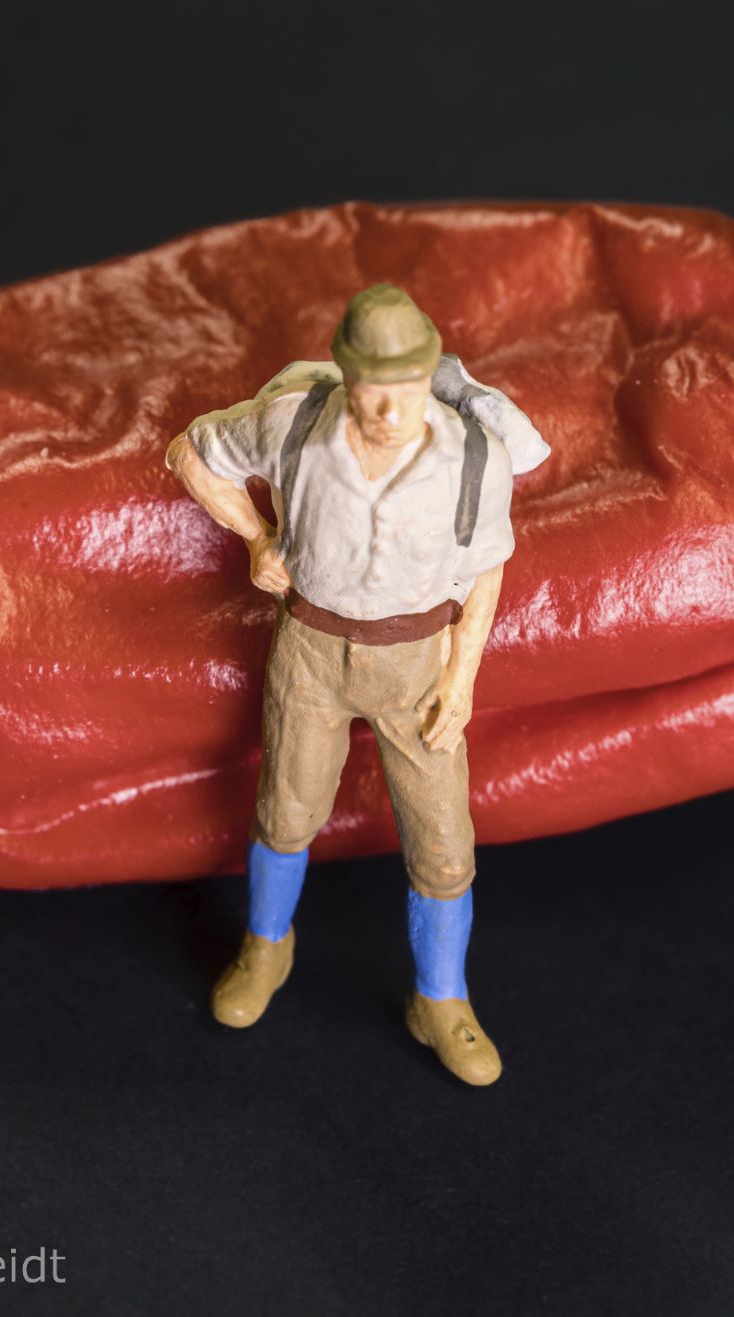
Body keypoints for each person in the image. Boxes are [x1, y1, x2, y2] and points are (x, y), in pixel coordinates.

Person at [164, 284, 548, 1085]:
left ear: (430, 375)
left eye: (408, 386)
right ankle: (266, 946)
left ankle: (441, 996)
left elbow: (487, 568)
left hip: (417, 662)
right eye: (373, 387)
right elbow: (189, 454)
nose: (390, 408)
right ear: (346, 373)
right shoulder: (295, 424)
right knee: (285, 810)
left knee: (444, 843)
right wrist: (255, 537)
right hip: (311, 647)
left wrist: (463, 676)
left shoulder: (474, 455)